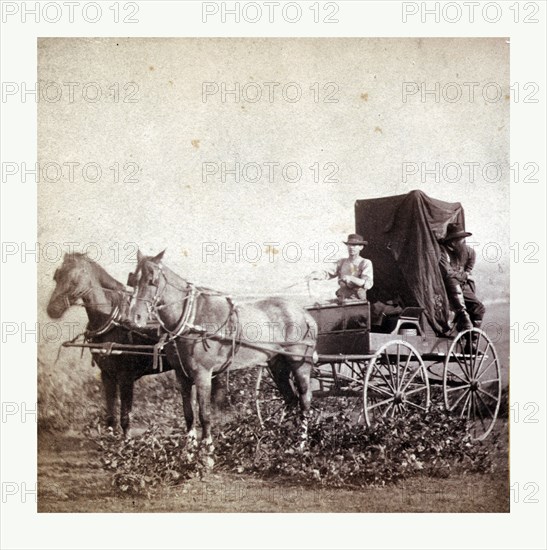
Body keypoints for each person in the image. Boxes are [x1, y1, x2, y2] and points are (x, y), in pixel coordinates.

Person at [439, 223, 485, 332]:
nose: (463, 242)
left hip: (462, 285)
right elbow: (448, 273)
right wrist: (464, 275)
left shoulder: (466, 251)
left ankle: (471, 340)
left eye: (463, 239)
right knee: (452, 280)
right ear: (453, 241)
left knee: (479, 308)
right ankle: (462, 315)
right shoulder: (443, 252)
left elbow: (471, 258)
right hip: (448, 286)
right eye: (460, 240)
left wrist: (467, 272)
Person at [308, 234, 373, 301]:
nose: (351, 247)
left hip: (357, 301)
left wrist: (351, 278)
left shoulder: (365, 262)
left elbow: (368, 284)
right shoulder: (341, 262)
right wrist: (315, 275)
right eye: (349, 245)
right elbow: (328, 273)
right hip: (342, 299)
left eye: (354, 245)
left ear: (361, 247)